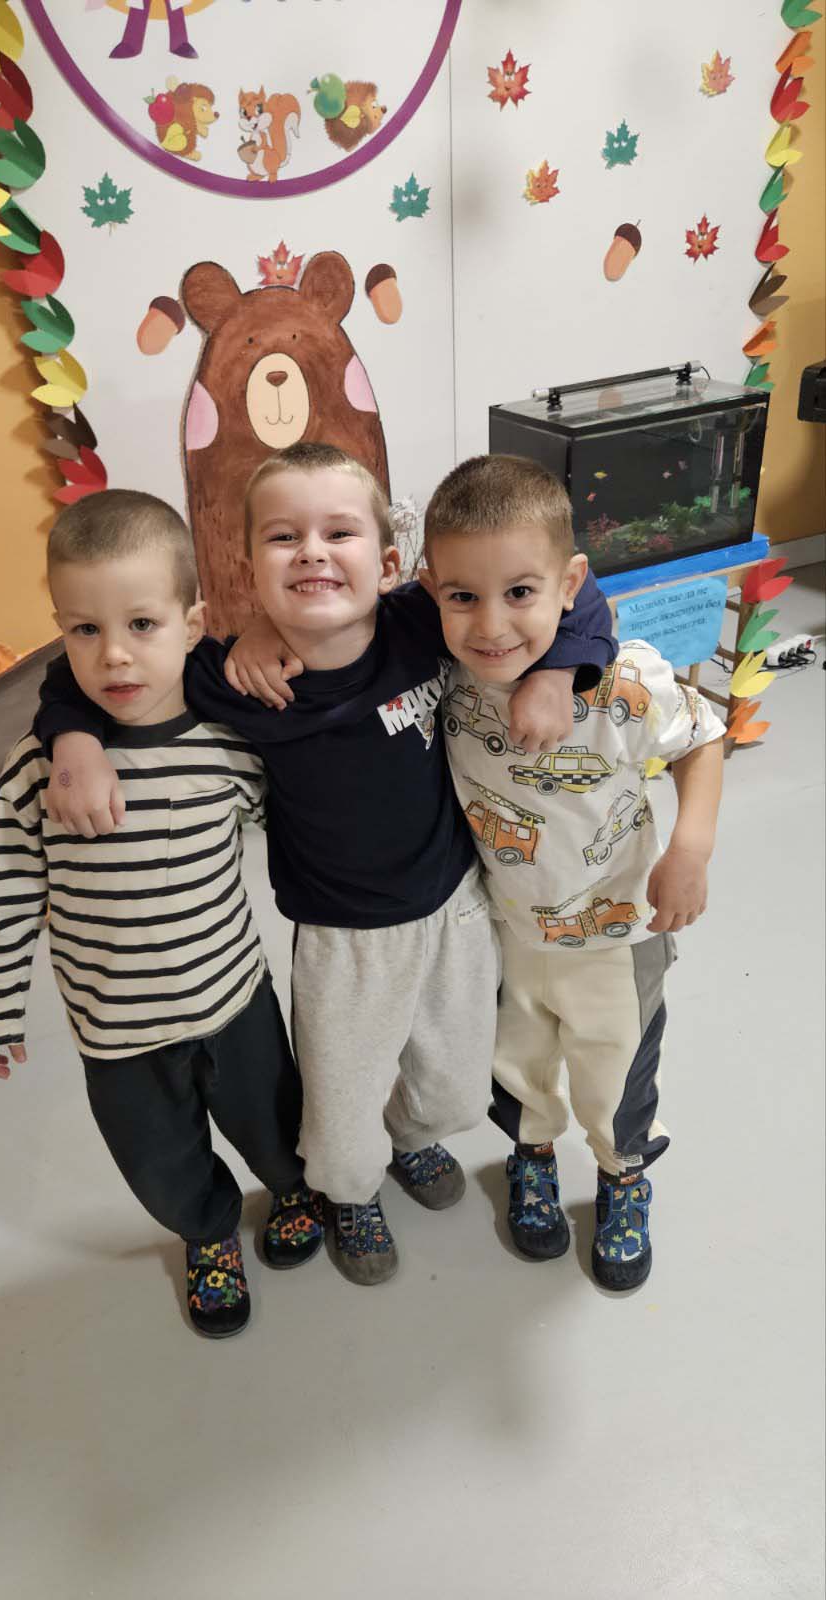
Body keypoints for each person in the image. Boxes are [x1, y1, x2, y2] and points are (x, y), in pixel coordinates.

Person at [35, 445, 616, 1286]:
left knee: (457, 1090)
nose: (311, 551)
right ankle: (351, 1193)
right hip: (343, 939)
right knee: (340, 1119)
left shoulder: (424, 622)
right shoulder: (231, 678)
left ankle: (409, 1140)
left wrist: (559, 672)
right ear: (248, 573)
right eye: (283, 537)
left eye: (337, 532)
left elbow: (576, 590)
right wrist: (76, 740)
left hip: (455, 908)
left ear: (389, 565)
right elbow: (86, 666)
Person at [0, 490, 323, 1340]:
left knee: (276, 1124)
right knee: (159, 1161)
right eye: (84, 630)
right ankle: (208, 1234)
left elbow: (296, 826)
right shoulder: (39, 771)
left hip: (233, 1002)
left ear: (192, 624)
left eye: (141, 624)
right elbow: (9, 892)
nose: (114, 655)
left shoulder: (229, 744)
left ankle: (293, 1192)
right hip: (116, 1033)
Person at [419, 455, 725, 1290]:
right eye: (462, 596)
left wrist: (690, 849)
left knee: (615, 1076)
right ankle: (531, 1158)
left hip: (617, 937)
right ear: (430, 589)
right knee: (514, 1066)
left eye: (520, 591)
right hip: (504, 932)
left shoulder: (623, 680)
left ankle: (623, 1176)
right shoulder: (437, 675)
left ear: (569, 584)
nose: (491, 625)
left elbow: (702, 739)